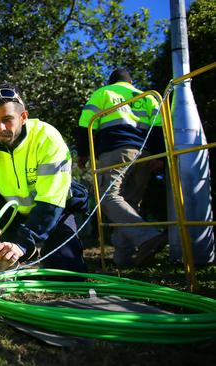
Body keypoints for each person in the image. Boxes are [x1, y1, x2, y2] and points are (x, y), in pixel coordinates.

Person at [0, 83, 87, 272]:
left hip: (55, 211)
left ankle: (23, 247)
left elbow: (51, 201)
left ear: (23, 117)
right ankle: (20, 249)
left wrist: (22, 243)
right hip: (16, 214)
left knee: (68, 273)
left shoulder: (48, 139)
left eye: (7, 119)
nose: (0, 127)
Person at [75, 68, 166, 268]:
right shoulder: (148, 97)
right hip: (146, 154)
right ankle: (124, 259)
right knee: (130, 203)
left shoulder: (104, 93)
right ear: (130, 82)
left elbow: (85, 125)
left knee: (107, 197)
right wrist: (161, 157)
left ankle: (147, 237)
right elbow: (159, 128)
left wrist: (82, 153)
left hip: (116, 150)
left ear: (111, 81)